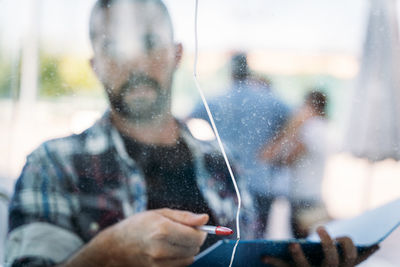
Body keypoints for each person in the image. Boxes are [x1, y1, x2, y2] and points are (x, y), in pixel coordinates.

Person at [5, 1, 377, 266]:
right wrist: (107, 256)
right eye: (113, 46)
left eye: (149, 43)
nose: (134, 60)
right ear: (96, 65)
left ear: (178, 54)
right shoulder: (53, 166)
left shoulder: (224, 164)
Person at [189, 52, 290, 238]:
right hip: (260, 180)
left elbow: (184, 122)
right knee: (258, 242)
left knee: (226, 239)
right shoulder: (270, 99)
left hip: (224, 181)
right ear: (248, 70)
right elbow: (300, 116)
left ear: (230, 71)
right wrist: (276, 144)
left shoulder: (213, 98)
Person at [259, 90, 331, 238]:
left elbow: (280, 159)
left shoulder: (312, 128)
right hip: (313, 192)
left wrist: (292, 127)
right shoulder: (324, 127)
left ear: (310, 106)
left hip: (304, 194)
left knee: (302, 242)